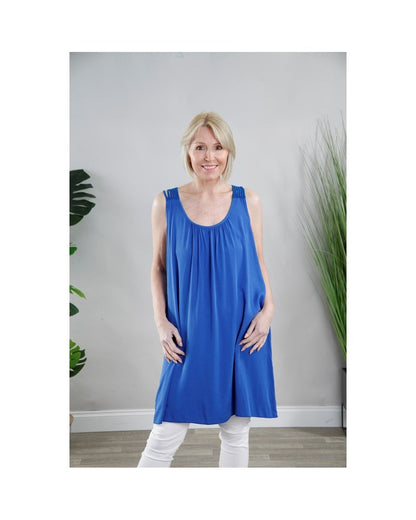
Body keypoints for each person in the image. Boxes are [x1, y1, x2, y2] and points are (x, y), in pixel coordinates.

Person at [137, 112, 277, 468]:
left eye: (217, 147)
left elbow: (259, 262)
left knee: (236, 432)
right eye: (200, 147)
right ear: (188, 151)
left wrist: (269, 311)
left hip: (242, 332)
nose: (209, 156)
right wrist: (160, 322)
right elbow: (157, 267)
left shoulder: (249, 201)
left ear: (228, 152)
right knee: (164, 437)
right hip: (188, 335)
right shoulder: (165, 203)